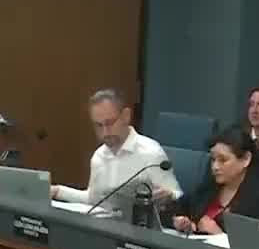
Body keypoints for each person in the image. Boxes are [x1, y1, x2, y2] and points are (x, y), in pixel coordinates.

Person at [50, 88, 182, 215]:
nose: (105, 132)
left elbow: (177, 194)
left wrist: (168, 195)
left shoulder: (150, 152)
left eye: (110, 123)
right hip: (105, 226)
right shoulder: (98, 157)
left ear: (126, 116)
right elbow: (94, 200)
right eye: (99, 125)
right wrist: (58, 191)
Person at [171, 126, 259, 241]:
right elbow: (178, 209)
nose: (215, 167)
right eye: (213, 159)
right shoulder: (209, 186)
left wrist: (219, 236)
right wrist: (182, 222)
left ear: (246, 159)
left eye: (223, 160)